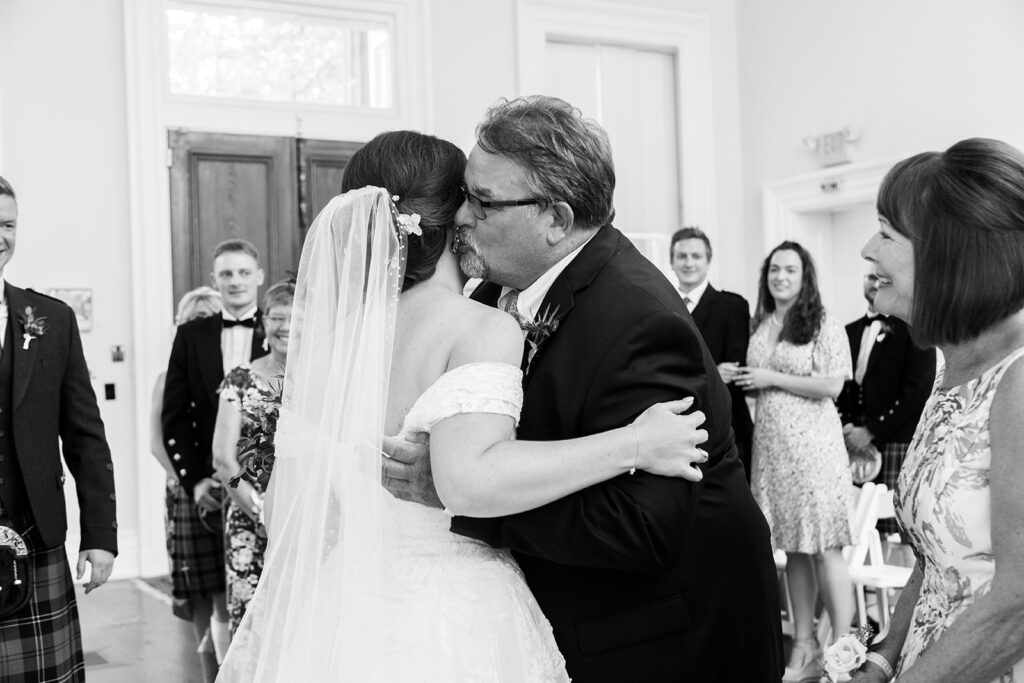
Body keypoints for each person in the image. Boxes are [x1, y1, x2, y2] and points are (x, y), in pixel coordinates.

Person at [218, 130, 711, 682]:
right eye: (473, 201)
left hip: (348, 598)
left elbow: (313, 508)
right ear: (452, 218)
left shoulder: (334, 345)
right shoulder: (478, 325)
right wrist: (636, 442)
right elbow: (469, 483)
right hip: (454, 608)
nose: (479, 215)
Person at [388, 98, 783, 682]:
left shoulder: (639, 320)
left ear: (556, 218)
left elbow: (643, 526)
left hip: (662, 636)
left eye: (482, 201)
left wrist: (467, 498)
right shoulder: (488, 296)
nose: (459, 217)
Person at [849, 138, 1024, 683]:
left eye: (885, 232)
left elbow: (1016, 604)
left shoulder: (1018, 382)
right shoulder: (949, 370)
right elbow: (933, 561)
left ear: (947, 256)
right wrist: (882, 660)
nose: (867, 251)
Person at [0, 174, 117, 681]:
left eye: (7, 224)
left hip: (35, 533)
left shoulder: (49, 318)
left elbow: (85, 435)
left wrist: (101, 534)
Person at [736, 240, 855, 682]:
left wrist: (769, 377)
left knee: (825, 549)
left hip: (815, 449)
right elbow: (759, 381)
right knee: (792, 550)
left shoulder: (823, 322)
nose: (780, 277)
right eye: (774, 270)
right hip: (773, 448)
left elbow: (832, 386)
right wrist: (743, 377)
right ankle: (803, 645)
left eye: (790, 270)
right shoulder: (761, 323)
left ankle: (844, 651)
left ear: (805, 277)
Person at [162, 239, 267, 674]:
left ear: (259, 276)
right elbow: (173, 417)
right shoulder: (192, 335)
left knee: (263, 593)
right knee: (219, 596)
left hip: (267, 485)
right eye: (226, 274)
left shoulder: (283, 330)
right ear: (214, 281)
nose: (236, 281)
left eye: (244, 272)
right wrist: (196, 481)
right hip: (210, 487)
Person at [148, 285, 222, 677]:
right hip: (187, 491)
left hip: (228, 483)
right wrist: (190, 479)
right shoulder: (167, 377)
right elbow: (156, 443)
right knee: (202, 593)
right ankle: (209, 669)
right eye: (193, 320)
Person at [211, 279, 293, 636]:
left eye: (296, 317)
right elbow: (222, 457)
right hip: (250, 518)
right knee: (251, 627)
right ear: (264, 322)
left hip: (306, 520)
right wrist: (263, 513)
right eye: (277, 317)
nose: (286, 326)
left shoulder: (327, 381)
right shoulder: (240, 379)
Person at [836, 271, 934, 535]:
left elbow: (917, 391)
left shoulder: (916, 330)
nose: (874, 282)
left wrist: (871, 431)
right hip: (850, 443)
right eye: (868, 276)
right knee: (854, 527)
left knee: (895, 527)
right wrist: (846, 426)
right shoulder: (847, 331)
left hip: (895, 441)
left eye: (882, 277)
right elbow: (839, 386)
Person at [670, 226, 754, 480]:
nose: (688, 263)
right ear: (671, 262)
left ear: (708, 261)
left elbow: (734, 373)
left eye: (696, 256)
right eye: (682, 256)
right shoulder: (662, 306)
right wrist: (713, 372)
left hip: (726, 426)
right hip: (676, 429)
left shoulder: (732, 305)